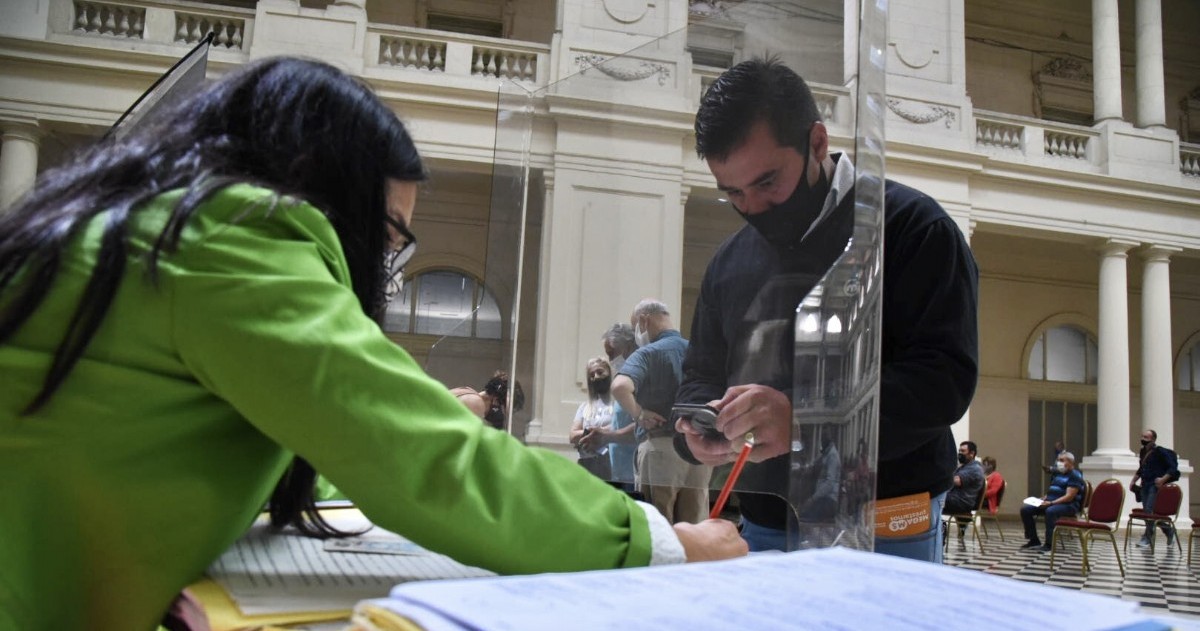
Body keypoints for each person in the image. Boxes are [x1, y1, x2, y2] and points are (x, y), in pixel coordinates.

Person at [0, 58, 746, 630]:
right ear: (321, 188)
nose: (385, 267)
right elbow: (424, 459)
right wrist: (661, 545)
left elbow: (260, 450)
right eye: (389, 235)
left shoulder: (156, 226)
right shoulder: (234, 235)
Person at [674, 57, 978, 561]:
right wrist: (698, 429)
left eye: (768, 183)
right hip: (768, 518)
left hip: (885, 522)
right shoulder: (729, 260)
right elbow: (701, 373)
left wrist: (802, 417)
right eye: (733, 193)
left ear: (817, 142)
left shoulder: (912, 229)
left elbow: (942, 382)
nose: (752, 208)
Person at [611, 299, 712, 523]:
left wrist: (639, 413)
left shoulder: (648, 353)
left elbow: (620, 387)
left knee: (658, 527)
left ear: (644, 320)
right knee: (695, 531)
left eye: (635, 325)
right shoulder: (699, 352)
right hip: (699, 451)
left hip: (660, 449)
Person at [1019, 451, 1085, 552]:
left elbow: (1069, 496)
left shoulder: (1075, 475)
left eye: (1062, 460)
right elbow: (1053, 491)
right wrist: (1044, 499)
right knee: (1026, 510)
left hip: (1068, 505)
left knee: (1050, 511)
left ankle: (1049, 544)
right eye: (1058, 460)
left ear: (1071, 463)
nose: (1059, 463)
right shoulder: (1057, 474)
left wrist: (1051, 503)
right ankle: (1034, 540)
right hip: (1051, 502)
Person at [601, 323, 639, 484]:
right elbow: (622, 422)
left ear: (629, 347)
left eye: (612, 354)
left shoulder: (639, 378)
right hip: (619, 471)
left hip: (634, 472)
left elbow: (644, 425)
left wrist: (608, 436)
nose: (610, 361)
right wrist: (600, 432)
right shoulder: (625, 378)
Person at [1131, 429, 1181, 548]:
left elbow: (1173, 468)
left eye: (1146, 437)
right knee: (1148, 513)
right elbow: (1141, 468)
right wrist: (1133, 480)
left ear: (1153, 439)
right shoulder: (1143, 451)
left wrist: (1163, 479)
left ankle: (1148, 537)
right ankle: (1169, 531)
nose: (1143, 439)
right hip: (1144, 485)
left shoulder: (1160, 452)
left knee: (1149, 511)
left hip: (1154, 485)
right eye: (1142, 436)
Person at [569, 357, 616, 479]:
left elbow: (620, 426)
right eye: (591, 375)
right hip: (587, 463)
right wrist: (594, 432)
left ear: (609, 373)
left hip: (610, 462)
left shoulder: (618, 404)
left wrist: (590, 433)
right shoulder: (584, 407)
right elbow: (573, 435)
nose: (596, 377)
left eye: (600, 372)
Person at [451, 370, 525, 430]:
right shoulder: (476, 403)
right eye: (502, 409)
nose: (500, 416)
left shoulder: (467, 390)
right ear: (495, 400)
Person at [943, 441, 984, 515]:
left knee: (932, 498)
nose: (960, 453)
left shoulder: (974, 468)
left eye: (963, 451)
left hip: (961, 502)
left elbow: (956, 481)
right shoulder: (965, 466)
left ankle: (935, 525)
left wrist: (940, 478)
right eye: (959, 451)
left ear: (971, 453)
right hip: (956, 499)